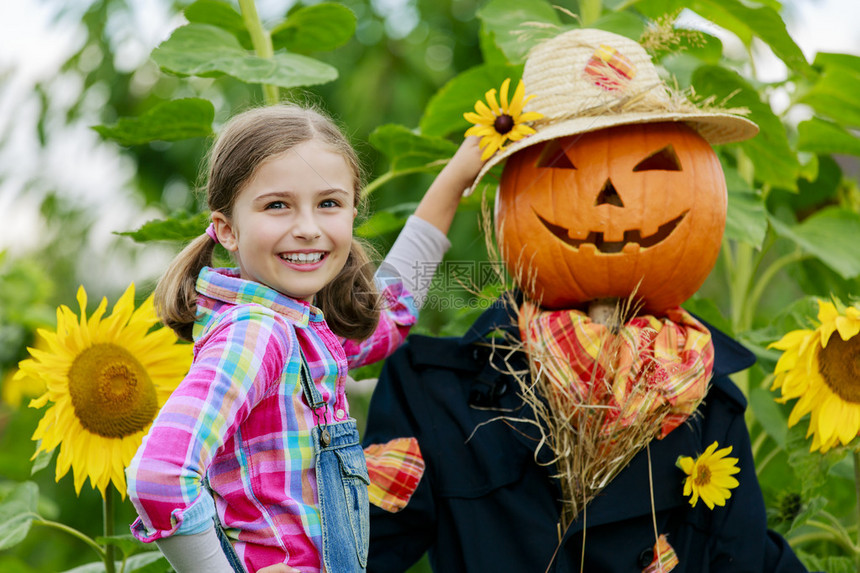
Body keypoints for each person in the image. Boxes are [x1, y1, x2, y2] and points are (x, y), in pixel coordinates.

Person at [362, 28, 810, 573]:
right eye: (563, 167)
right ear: (508, 192)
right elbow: (356, 550)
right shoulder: (438, 395)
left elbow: (743, 558)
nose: (611, 197)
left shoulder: (705, 402)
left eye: (654, 166)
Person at [125, 103, 485, 573]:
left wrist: (455, 178)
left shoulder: (301, 333)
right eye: (278, 205)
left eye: (329, 204)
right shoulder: (257, 333)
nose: (308, 228)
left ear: (353, 212)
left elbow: (391, 315)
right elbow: (158, 476)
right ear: (227, 229)